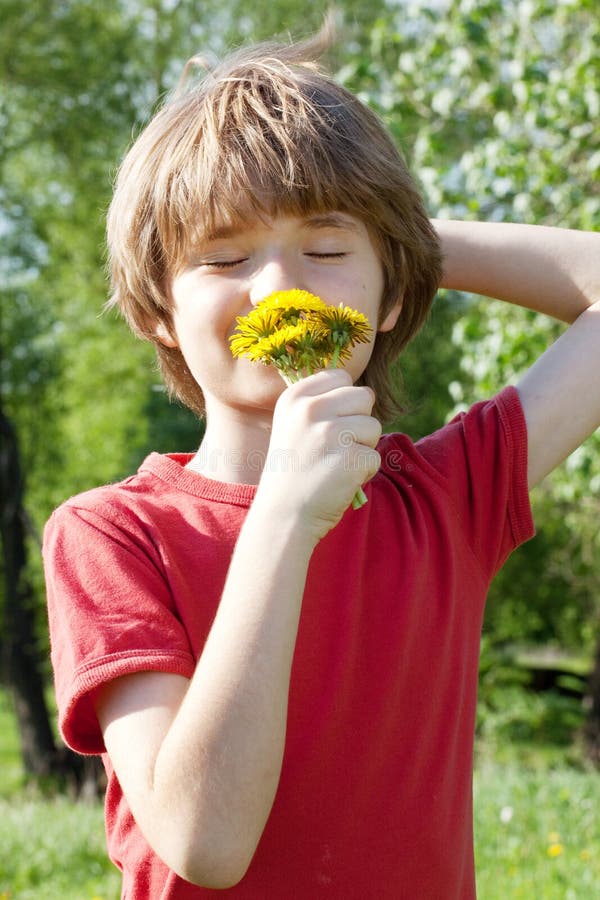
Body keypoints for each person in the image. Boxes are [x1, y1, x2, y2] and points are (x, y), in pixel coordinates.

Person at [43, 23, 600, 900]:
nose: (281, 289)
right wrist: (285, 516)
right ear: (157, 309)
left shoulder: (447, 498)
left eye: (326, 251)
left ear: (388, 295)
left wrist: (398, 242)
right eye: (225, 255)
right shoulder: (110, 536)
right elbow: (206, 842)